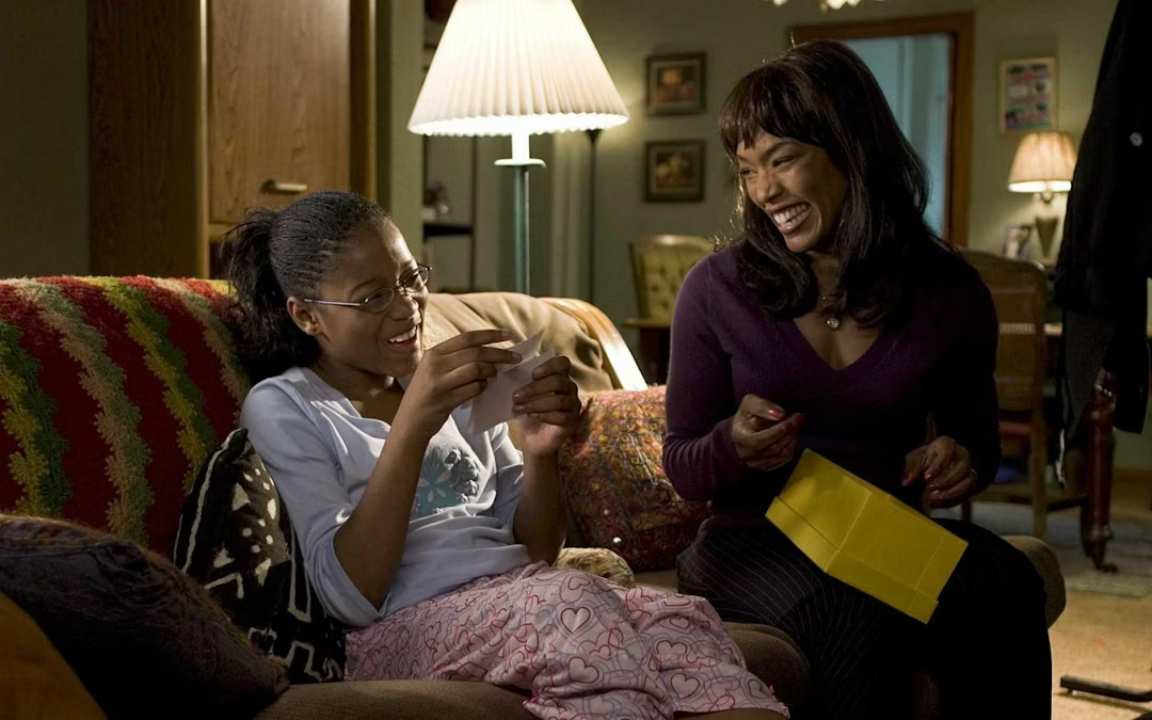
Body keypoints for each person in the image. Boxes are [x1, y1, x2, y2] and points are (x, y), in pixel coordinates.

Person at [225, 191, 788, 720]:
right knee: (574, 606)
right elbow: (350, 596)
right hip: (394, 629)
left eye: (409, 278)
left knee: (683, 624)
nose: (407, 308)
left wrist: (541, 453)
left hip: (521, 597)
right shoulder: (285, 406)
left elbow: (539, 550)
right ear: (307, 316)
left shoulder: (457, 381)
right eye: (373, 297)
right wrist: (414, 423)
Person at [663, 41, 1051, 717]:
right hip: (747, 543)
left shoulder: (948, 291)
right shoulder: (715, 288)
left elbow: (978, 446)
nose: (764, 192)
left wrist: (958, 458)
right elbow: (682, 464)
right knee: (851, 615)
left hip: (881, 535)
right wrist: (733, 445)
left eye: (783, 160)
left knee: (1008, 582)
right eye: (748, 170)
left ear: (852, 150)